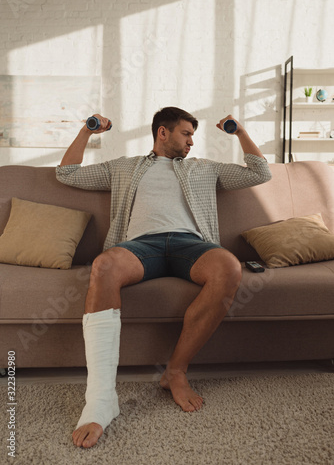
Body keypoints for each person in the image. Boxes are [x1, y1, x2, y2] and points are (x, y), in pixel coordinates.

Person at [56, 107, 272, 448]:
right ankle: (100, 399)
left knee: (229, 267)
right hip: (140, 247)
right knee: (103, 266)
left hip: (191, 245)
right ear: (163, 133)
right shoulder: (124, 167)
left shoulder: (204, 168)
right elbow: (67, 173)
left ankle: (175, 372)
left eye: (193, 136)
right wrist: (88, 129)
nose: (191, 142)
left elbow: (261, 173)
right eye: (186, 134)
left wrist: (239, 131)